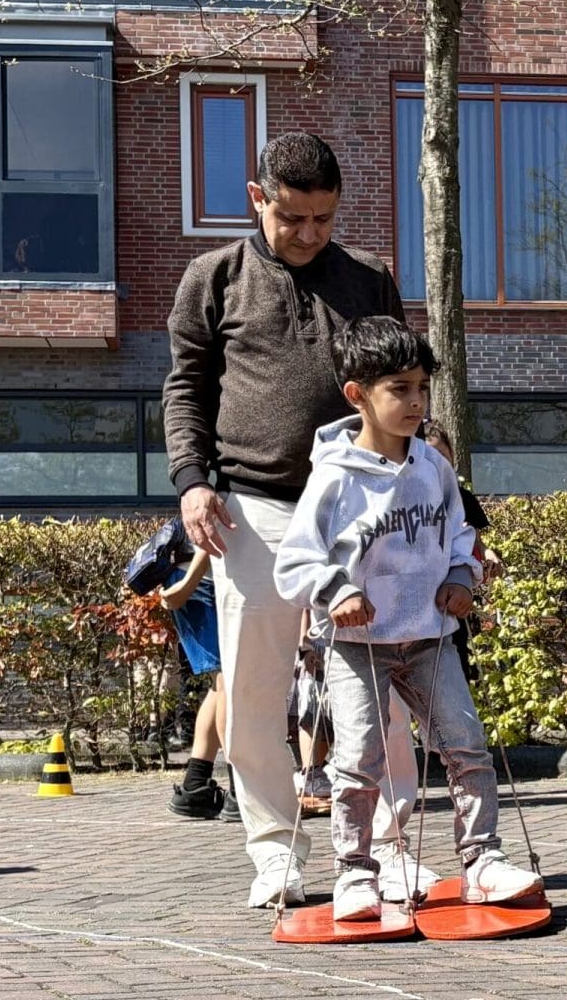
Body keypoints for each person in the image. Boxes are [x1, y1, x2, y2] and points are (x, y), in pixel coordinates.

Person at [163, 132, 415, 908]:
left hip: (358, 510)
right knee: (253, 689)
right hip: (252, 508)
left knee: (381, 686)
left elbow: (401, 386)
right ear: (257, 199)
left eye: (323, 219)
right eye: (292, 218)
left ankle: (392, 851)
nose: (308, 234)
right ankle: (275, 854)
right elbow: (185, 390)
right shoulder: (213, 279)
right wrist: (191, 483)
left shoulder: (369, 278)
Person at [275, 317, 544, 922]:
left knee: (466, 746)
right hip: (357, 644)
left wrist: (462, 577)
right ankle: (354, 873)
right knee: (359, 758)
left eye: (422, 387)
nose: (416, 401)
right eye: (399, 388)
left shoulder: (434, 468)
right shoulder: (333, 477)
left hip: (430, 638)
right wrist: (336, 589)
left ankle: (483, 862)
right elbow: (295, 560)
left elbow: (461, 536)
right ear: (358, 394)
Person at [420, 418, 501, 682]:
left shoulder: (461, 497)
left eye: (442, 456)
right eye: (429, 456)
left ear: (452, 457)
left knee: (456, 667)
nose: (437, 464)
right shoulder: (409, 496)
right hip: (419, 598)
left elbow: (473, 538)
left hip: (453, 597)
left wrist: (488, 555)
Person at [157, 547, 233, 820]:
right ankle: (240, 791)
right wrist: (188, 583)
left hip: (194, 576)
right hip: (204, 578)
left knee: (220, 684)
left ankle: (195, 786)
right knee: (228, 682)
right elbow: (210, 533)